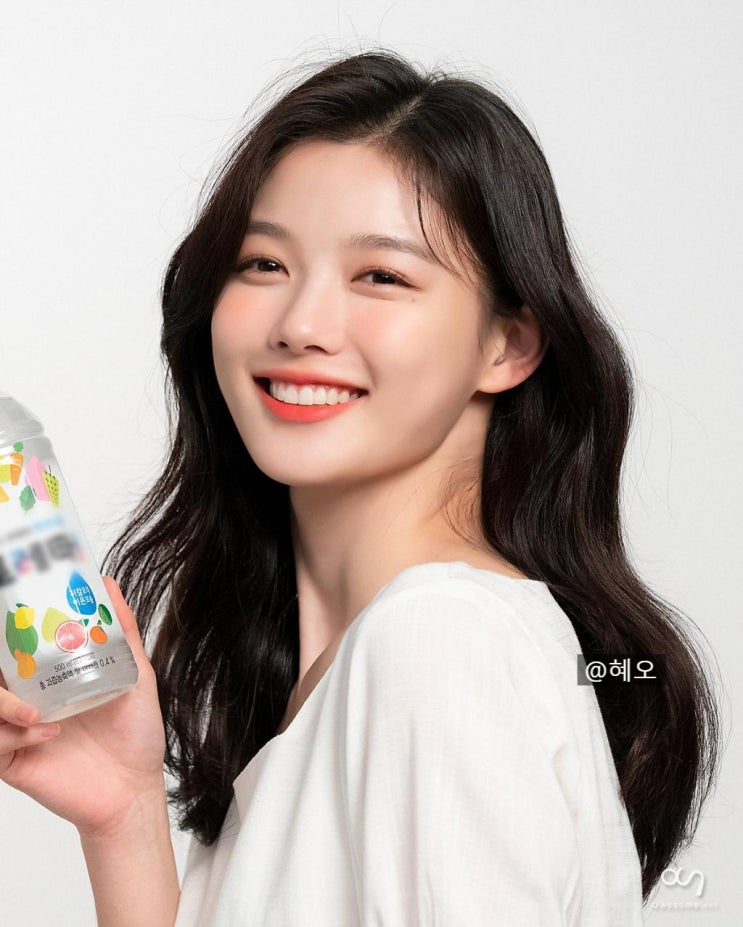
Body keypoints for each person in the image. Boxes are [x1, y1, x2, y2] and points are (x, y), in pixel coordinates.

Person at [0, 47, 722, 926]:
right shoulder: (355, 675)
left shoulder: (436, 645)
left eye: (381, 275)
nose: (300, 324)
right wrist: (124, 817)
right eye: (262, 264)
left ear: (508, 345)